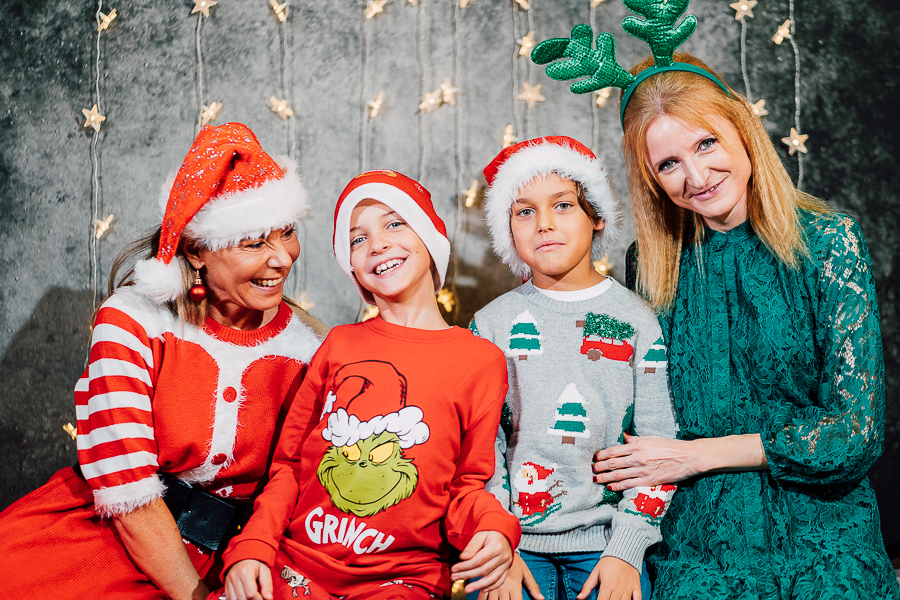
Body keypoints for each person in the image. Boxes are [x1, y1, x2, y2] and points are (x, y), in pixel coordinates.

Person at [589, 52, 900, 598]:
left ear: (742, 128)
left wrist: (699, 455)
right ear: (651, 179)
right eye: (668, 164)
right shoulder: (651, 266)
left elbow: (855, 433)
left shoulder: (829, 241)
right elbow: (639, 422)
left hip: (823, 540)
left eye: (706, 143)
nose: (696, 177)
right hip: (698, 546)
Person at [0, 122, 322, 599]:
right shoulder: (132, 321)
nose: (283, 258)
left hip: (242, 558)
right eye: (255, 242)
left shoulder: (311, 347)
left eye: (288, 233)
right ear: (196, 250)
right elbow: (126, 485)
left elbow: (304, 484)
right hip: (108, 538)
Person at [217, 169, 520, 600]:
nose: (377, 244)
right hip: (297, 566)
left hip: (402, 580)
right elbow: (290, 466)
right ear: (354, 269)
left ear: (430, 240)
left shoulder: (480, 360)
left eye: (395, 224)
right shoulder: (339, 344)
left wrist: (493, 528)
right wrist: (253, 547)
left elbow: (468, 486)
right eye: (358, 239)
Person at [466, 136, 678, 600]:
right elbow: (480, 449)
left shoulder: (637, 321)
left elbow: (659, 445)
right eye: (524, 211)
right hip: (512, 546)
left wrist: (626, 551)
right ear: (507, 228)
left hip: (608, 545)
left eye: (562, 205)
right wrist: (498, 542)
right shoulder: (490, 324)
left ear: (596, 215)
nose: (544, 223)